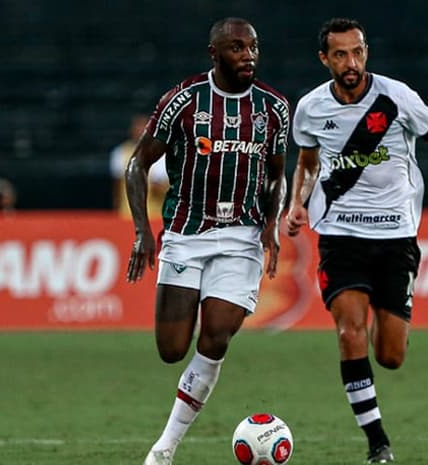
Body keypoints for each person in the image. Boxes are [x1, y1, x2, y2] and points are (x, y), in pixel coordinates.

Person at [285, 18, 428, 463]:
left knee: (391, 355)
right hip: (340, 235)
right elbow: (306, 162)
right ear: (324, 59)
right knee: (349, 333)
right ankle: (377, 441)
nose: (352, 62)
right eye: (341, 54)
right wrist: (297, 202)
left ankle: (385, 329)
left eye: (358, 51)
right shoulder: (310, 108)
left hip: (396, 236)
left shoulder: (396, 98)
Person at [124, 17, 289, 465]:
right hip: (185, 235)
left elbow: (277, 176)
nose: (248, 55)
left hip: (241, 236)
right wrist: (143, 230)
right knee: (171, 350)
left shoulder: (273, 108)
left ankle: (164, 448)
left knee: (216, 336)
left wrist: (272, 222)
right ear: (214, 53)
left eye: (253, 46)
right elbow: (138, 165)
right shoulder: (183, 101)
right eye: (237, 48)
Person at [110, 114, 169, 218]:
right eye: (137, 127)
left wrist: (160, 189)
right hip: (127, 214)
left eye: (144, 127)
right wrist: (117, 207)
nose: (140, 131)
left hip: (155, 215)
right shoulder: (120, 153)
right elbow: (117, 185)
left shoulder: (162, 155)